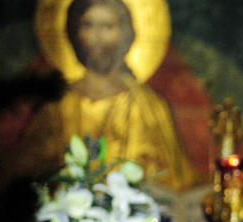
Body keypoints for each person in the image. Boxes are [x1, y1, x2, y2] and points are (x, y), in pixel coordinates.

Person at [14, 0, 196, 191]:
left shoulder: (148, 106)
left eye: (107, 26)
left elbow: (176, 181)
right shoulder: (57, 106)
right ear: (73, 31)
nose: (97, 36)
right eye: (88, 25)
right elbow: (27, 178)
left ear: (126, 34)